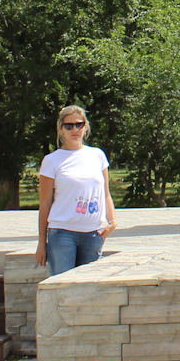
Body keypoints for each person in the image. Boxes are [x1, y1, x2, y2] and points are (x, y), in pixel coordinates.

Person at [34, 104, 118, 276]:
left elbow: (105, 194)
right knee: (62, 287)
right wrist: (42, 243)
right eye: (69, 125)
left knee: (89, 288)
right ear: (61, 129)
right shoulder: (52, 160)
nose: (75, 129)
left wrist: (112, 223)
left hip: (93, 234)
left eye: (79, 124)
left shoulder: (97, 155)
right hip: (63, 233)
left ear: (85, 126)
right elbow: (45, 203)